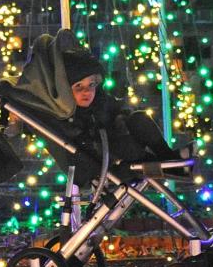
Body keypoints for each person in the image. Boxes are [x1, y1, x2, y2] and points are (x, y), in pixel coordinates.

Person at [52, 47, 189, 187]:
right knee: (126, 145)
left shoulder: (100, 102)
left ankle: (169, 159)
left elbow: (116, 109)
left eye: (91, 85)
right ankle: (167, 166)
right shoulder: (68, 115)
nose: (86, 91)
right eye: (79, 86)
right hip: (103, 164)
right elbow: (81, 139)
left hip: (118, 147)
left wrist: (120, 118)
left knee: (139, 119)